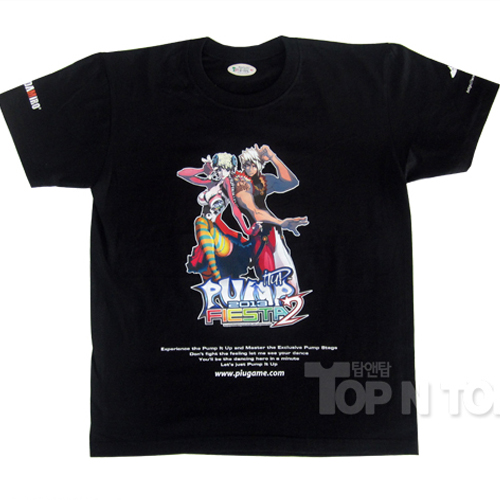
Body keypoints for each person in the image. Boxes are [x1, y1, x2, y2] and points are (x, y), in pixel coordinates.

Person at [233, 144, 308, 292]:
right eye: (247, 165)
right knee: (267, 276)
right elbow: (255, 212)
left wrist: (273, 157)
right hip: (259, 235)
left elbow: (291, 182)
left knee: (287, 272)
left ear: (259, 165)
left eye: (253, 165)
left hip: (274, 231)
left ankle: (288, 301)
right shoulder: (241, 184)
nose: (250, 168)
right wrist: (281, 222)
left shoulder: (262, 180)